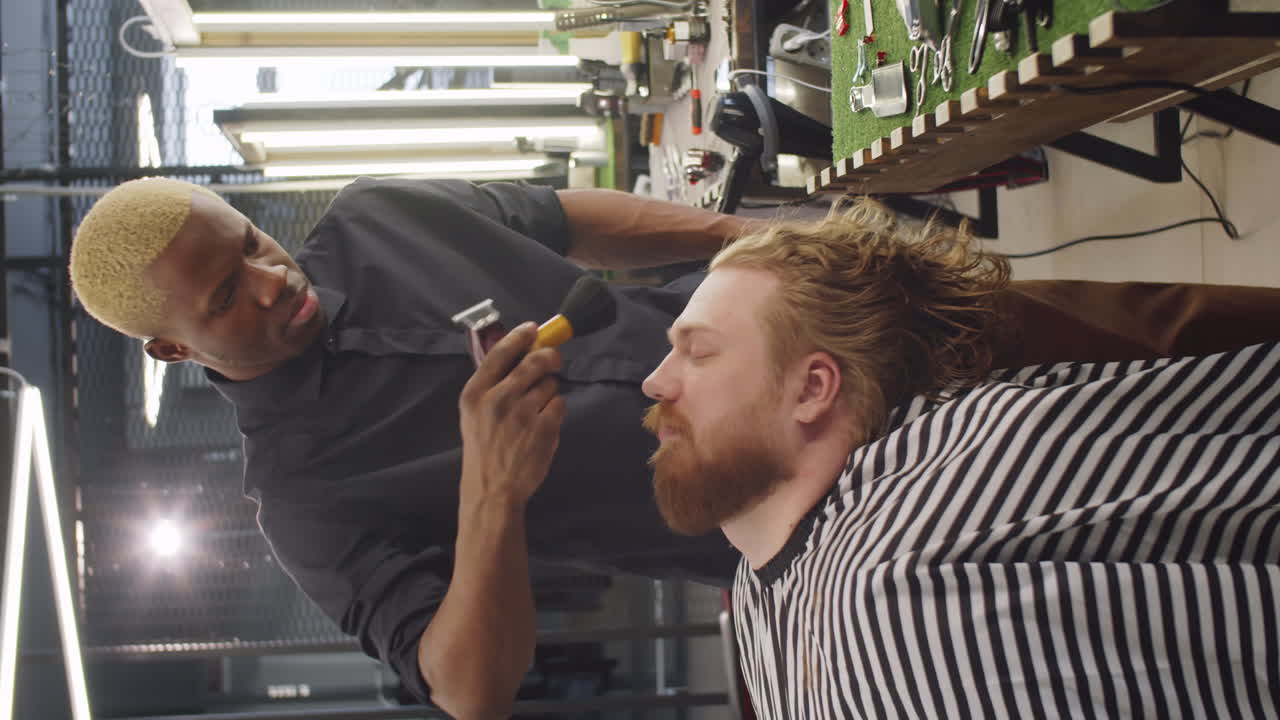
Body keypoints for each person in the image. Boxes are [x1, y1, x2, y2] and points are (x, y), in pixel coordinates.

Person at [70, 177, 1280, 719]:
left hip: (856, 344)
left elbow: (556, 219)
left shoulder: (377, 216)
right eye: (229, 296)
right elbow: (466, 691)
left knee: (1172, 355)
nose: (277, 284)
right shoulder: (305, 496)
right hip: (822, 532)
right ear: (174, 353)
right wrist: (489, 500)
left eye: (256, 247)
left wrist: (738, 233)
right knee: (1125, 575)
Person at [640, 197, 1280, 719]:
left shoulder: (904, 606)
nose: (653, 382)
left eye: (697, 352)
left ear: (812, 389)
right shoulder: (763, 583)